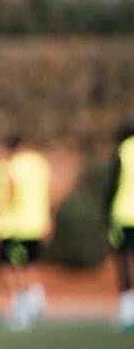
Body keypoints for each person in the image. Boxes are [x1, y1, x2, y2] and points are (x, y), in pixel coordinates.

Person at [0, 134, 52, 330]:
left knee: (12, 269)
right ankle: (36, 296)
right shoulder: (40, 164)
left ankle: (22, 309)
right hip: (37, 224)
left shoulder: (8, 167)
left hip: (14, 226)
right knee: (30, 265)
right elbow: (48, 192)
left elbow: (6, 196)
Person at [106, 119, 134, 331]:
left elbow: (112, 183)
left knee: (124, 262)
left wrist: (105, 212)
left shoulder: (122, 151)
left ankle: (127, 311)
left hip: (124, 214)